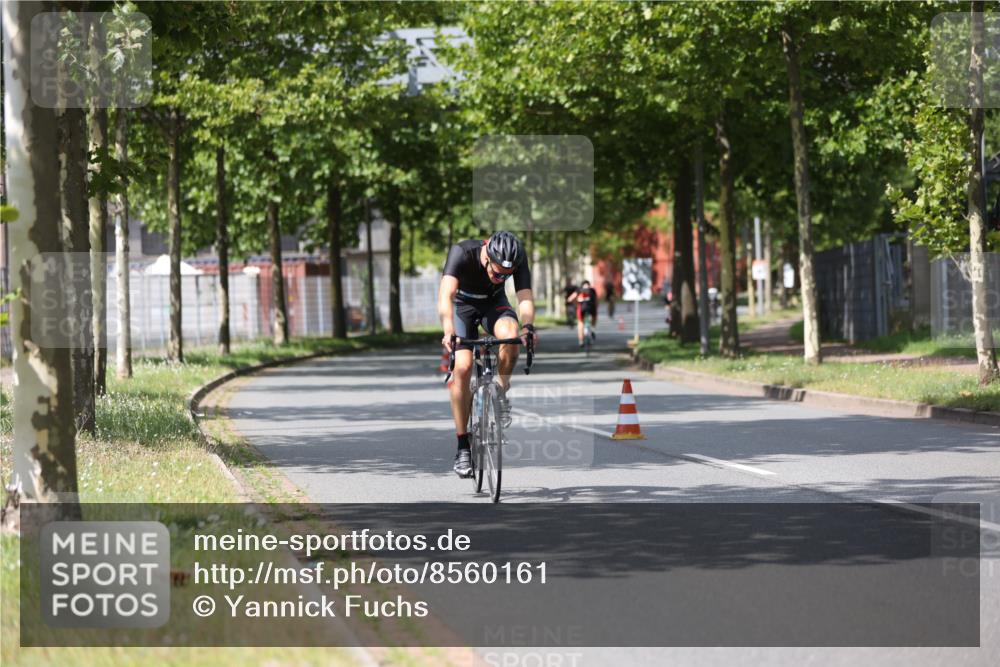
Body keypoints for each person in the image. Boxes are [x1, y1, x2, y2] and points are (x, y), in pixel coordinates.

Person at [438, 231, 537, 478]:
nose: (500, 277)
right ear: (487, 257)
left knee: (511, 335)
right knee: (462, 368)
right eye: (497, 272)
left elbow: (524, 296)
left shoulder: (518, 256)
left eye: (506, 275)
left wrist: (528, 327)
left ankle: (500, 391)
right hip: (463, 308)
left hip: (493, 304)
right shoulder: (462, 253)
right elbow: (446, 295)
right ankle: (462, 446)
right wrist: (449, 331)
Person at [566, 279, 598, 347]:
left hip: (581, 309)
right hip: (592, 309)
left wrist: (576, 303)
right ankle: (593, 330)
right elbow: (596, 301)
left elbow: (570, 299)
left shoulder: (579, 290)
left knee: (580, 324)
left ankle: (581, 341)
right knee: (594, 319)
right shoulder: (592, 290)